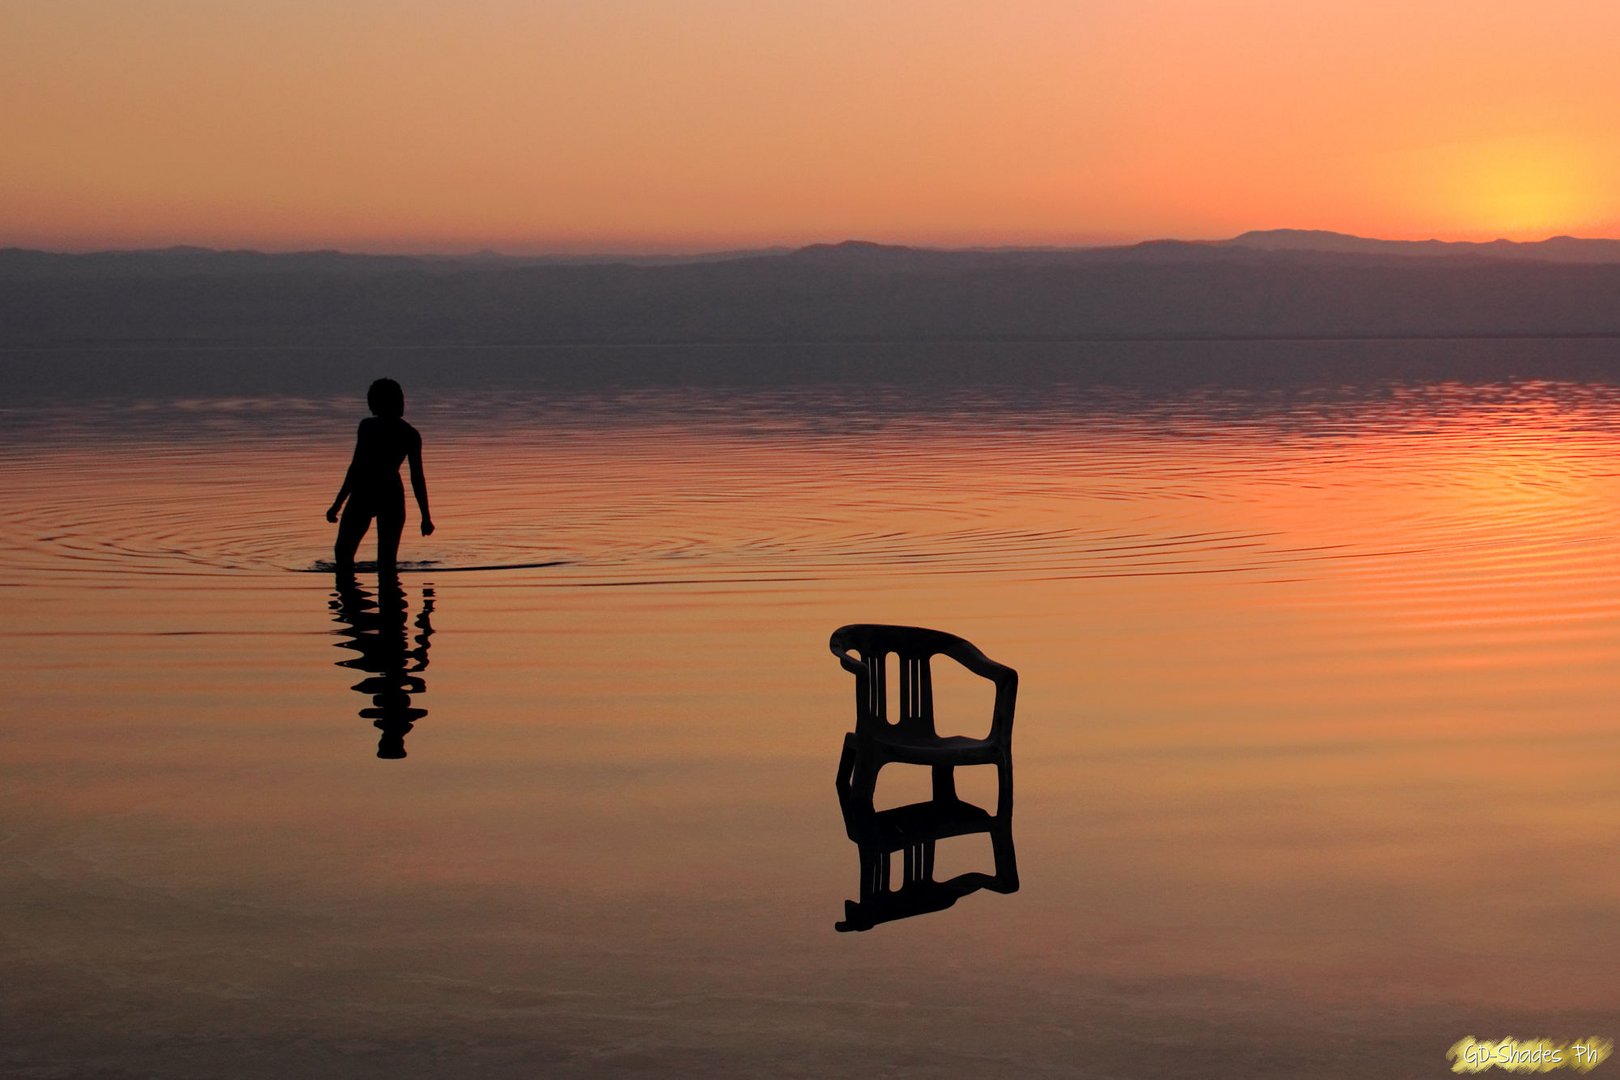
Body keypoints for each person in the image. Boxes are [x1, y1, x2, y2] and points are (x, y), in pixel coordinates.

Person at [326, 378, 434, 576]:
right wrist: (337, 504)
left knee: (379, 561)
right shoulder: (373, 428)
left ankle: (355, 598)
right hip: (368, 493)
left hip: (382, 494)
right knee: (346, 553)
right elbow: (356, 467)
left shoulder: (404, 433)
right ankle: (353, 598)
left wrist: (426, 516)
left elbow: (417, 477)